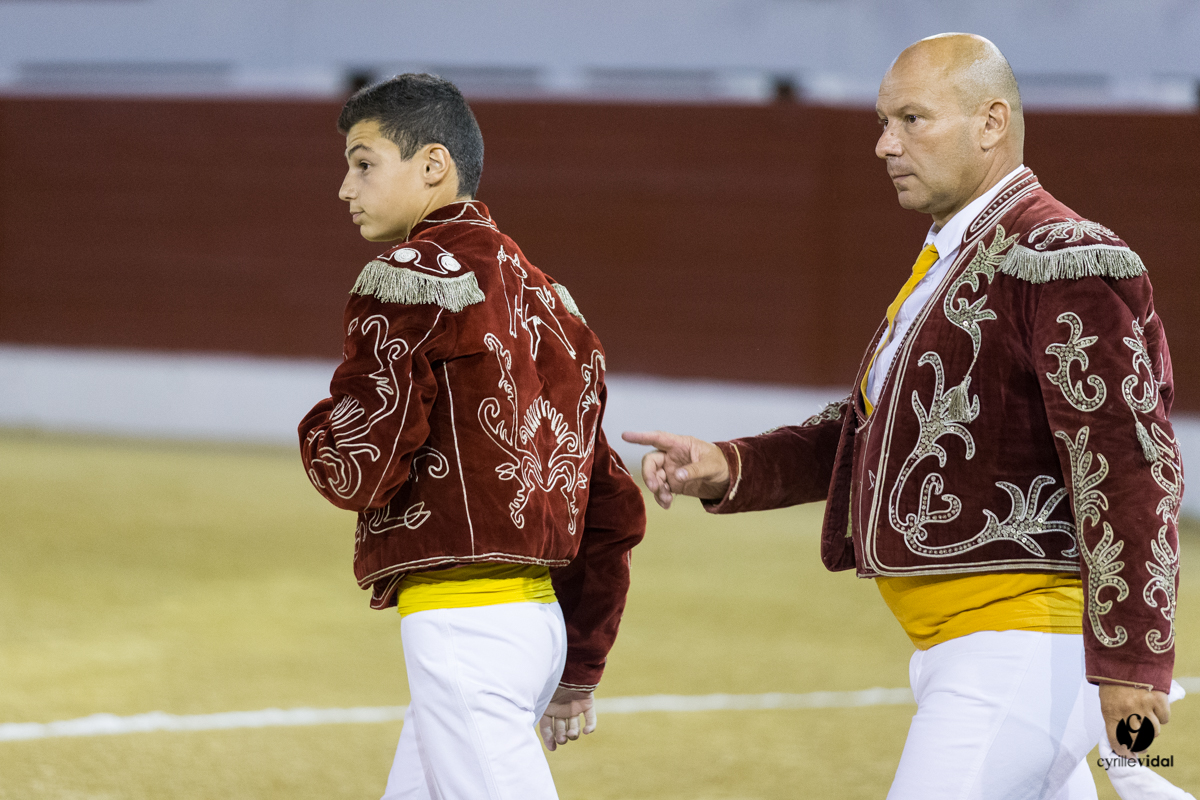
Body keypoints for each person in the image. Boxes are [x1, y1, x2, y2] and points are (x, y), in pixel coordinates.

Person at [625, 34, 1185, 799]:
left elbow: (1129, 467)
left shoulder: (1062, 257)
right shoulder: (955, 258)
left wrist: (1131, 663)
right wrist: (734, 464)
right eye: (884, 122)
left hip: (1023, 648)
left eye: (912, 119)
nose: (886, 144)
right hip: (967, 649)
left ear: (991, 122)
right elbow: (875, 434)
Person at [299, 73, 645, 800]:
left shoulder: (409, 276)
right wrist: (579, 664)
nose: (345, 188)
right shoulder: (554, 301)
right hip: (536, 629)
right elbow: (611, 505)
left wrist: (315, 432)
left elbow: (357, 469)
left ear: (433, 166)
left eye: (363, 163)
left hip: (464, 624)